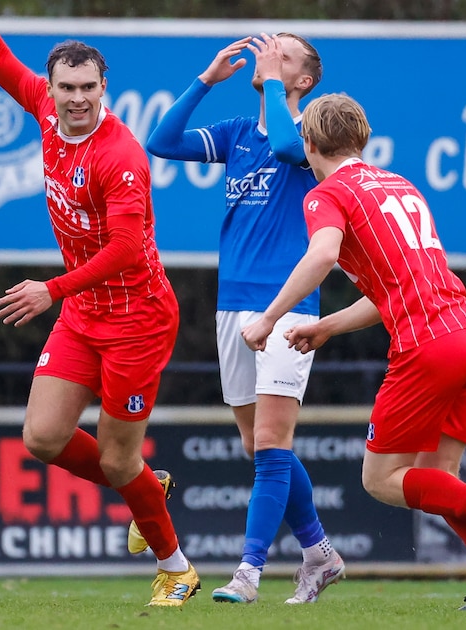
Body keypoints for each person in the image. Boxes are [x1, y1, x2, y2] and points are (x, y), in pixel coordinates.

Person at [0, 0, 197, 606]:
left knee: (116, 457)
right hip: (85, 315)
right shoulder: (43, 110)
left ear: (105, 88)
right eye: (65, 87)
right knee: (44, 438)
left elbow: (129, 250)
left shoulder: (120, 155)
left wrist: (48, 289)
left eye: (87, 87)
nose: (75, 98)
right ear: (49, 88)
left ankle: (177, 569)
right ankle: (141, 488)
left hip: (138, 319)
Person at [240, 93, 466, 613]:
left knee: (380, 480)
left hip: (427, 346)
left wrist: (269, 317)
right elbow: (395, 286)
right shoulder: (401, 185)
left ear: (307, 144)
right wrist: (328, 325)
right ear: (363, 138)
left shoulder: (325, 193)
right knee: (437, 478)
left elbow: (323, 255)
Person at [144, 34, 342, 604]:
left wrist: (273, 81)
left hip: (286, 308)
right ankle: (320, 554)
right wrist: (206, 80)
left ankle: (248, 572)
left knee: (272, 442)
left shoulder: (310, 134)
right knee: (259, 448)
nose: (267, 52)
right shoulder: (235, 134)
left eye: (283, 52)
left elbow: (283, 146)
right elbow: (161, 141)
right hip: (232, 306)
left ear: (302, 80)